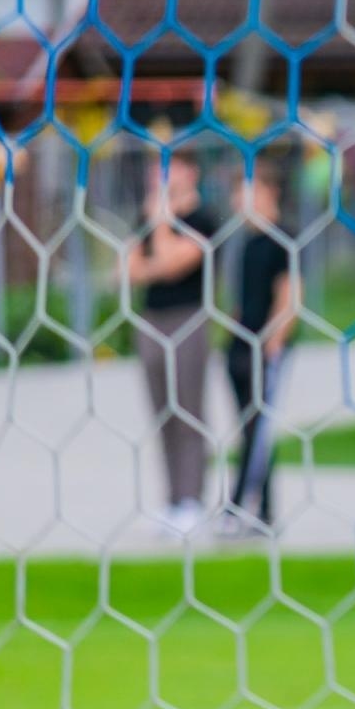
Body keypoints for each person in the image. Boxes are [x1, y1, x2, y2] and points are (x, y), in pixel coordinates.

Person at [127, 149, 218, 538]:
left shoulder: (203, 220)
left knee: (188, 411)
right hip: (151, 320)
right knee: (162, 413)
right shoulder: (145, 217)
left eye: (168, 167)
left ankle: (192, 500)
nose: (158, 175)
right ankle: (170, 500)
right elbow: (130, 271)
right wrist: (155, 244)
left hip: (188, 320)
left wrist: (161, 221)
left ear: (190, 171)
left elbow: (170, 261)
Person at [223, 161, 296, 535]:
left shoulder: (284, 238)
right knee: (249, 427)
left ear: (270, 193)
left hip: (264, 348)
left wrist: (274, 342)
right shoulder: (247, 241)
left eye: (249, 191)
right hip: (238, 344)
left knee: (258, 429)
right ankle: (263, 512)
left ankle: (235, 508)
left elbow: (289, 296)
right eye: (238, 192)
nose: (240, 200)